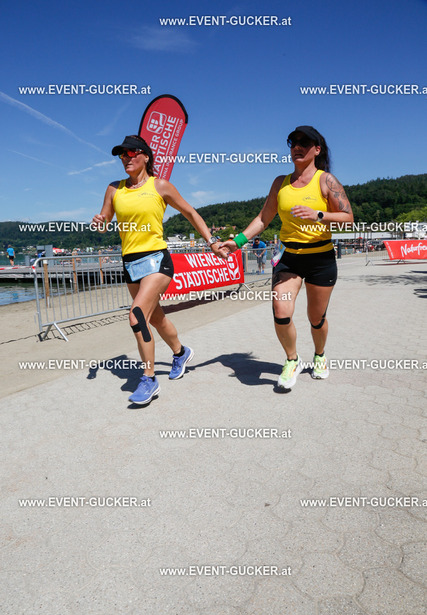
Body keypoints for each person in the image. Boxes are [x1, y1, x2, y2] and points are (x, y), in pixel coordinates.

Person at [92, 135, 228, 405]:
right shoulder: (114, 188)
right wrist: (99, 222)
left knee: (136, 316)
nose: (126, 158)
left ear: (145, 156)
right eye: (122, 154)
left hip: (156, 259)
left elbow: (190, 213)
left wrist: (211, 241)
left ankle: (149, 378)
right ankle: (180, 352)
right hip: (130, 263)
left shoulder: (160, 185)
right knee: (155, 318)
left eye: (131, 153)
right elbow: (105, 223)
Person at [220, 125, 353, 390]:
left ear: (317, 149)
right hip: (289, 257)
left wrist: (319, 215)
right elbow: (263, 218)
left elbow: (348, 218)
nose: (297, 147)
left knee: (316, 318)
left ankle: (320, 355)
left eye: (305, 142)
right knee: (281, 311)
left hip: (320, 258)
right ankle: (292, 359)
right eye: (293, 142)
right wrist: (238, 242)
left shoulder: (326, 181)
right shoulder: (280, 183)